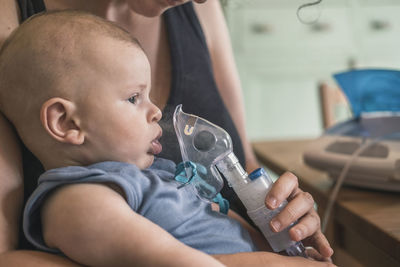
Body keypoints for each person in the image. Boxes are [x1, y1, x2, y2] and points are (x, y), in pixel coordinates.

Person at [0, 0, 332, 266]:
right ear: (66, 123)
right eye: (133, 98)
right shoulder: (81, 200)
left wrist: (278, 216)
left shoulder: (149, 173)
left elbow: (239, 168)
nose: (158, 111)